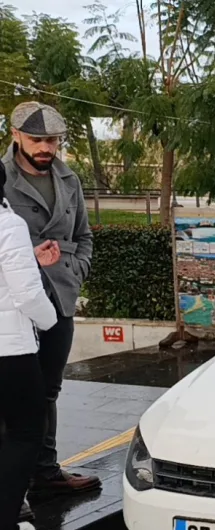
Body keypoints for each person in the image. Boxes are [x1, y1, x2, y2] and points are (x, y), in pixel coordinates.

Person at [2, 102, 98, 502]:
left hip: (59, 298)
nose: (46, 147)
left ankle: (45, 472)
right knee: (13, 397)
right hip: (13, 308)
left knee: (48, 389)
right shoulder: (1, 177)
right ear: (16, 136)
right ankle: (12, 487)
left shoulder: (69, 178)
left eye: (53, 140)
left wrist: (76, 270)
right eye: (37, 139)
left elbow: (85, 235)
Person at [0, 162, 59, 530]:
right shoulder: (9, 223)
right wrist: (51, 320)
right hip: (11, 352)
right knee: (24, 435)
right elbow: (25, 292)